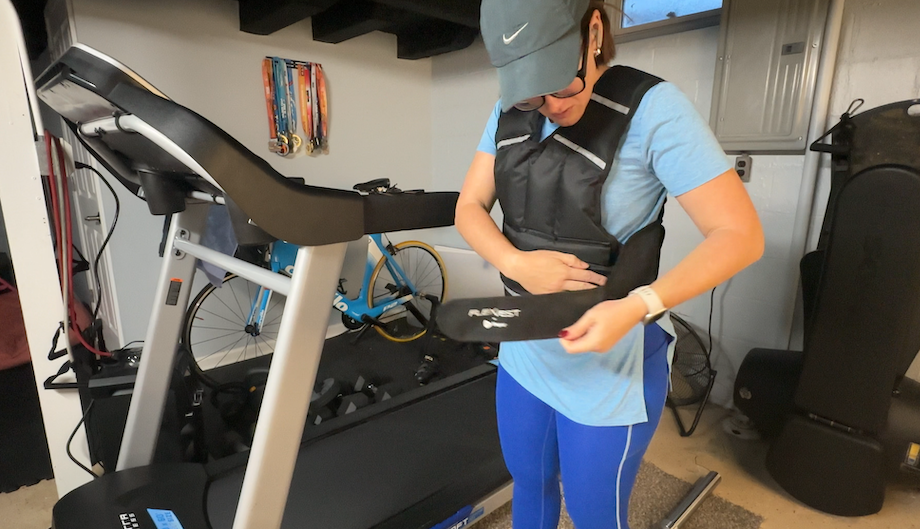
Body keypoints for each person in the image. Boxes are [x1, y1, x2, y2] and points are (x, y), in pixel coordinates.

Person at [454, 1, 764, 528]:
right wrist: (514, 262)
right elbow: (468, 207)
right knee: (529, 484)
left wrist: (640, 305)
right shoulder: (510, 112)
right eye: (531, 93)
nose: (548, 106)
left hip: (611, 359)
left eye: (559, 85)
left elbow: (740, 236)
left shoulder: (655, 109)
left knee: (595, 512)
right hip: (526, 349)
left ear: (593, 30)